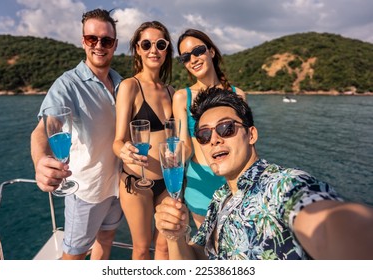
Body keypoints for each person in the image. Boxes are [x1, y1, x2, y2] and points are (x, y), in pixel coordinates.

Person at [155, 87, 373, 260]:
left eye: (226, 128)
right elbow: (196, 259)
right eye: (203, 135)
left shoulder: (281, 185)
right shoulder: (219, 199)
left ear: (251, 135)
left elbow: (327, 225)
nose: (214, 140)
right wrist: (175, 237)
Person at [30, 8, 123, 260]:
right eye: (92, 39)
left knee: (106, 242)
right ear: (83, 41)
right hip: (87, 191)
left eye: (106, 40)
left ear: (115, 45)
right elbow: (45, 128)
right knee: (74, 256)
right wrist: (41, 161)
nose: (99, 45)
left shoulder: (121, 82)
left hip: (116, 187)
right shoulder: (67, 84)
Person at [112, 21, 174, 260]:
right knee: (140, 249)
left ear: (167, 49)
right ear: (137, 49)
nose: (153, 50)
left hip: (168, 181)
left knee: (165, 246)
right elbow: (117, 141)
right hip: (136, 181)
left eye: (160, 44)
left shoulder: (170, 91)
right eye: (146, 44)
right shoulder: (130, 86)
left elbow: (176, 138)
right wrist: (124, 151)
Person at [173, 29, 246, 228]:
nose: (193, 59)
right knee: (208, 251)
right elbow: (185, 146)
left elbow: (246, 143)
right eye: (186, 57)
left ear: (211, 51)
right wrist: (172, 158)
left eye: (198, 51)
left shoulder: (237, 94)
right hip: (200, 182)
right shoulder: (182, 97)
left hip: (234, 181)